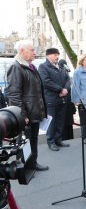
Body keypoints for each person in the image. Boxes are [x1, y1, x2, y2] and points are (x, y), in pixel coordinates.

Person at [6, 40, 48, 171]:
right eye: (31, 50)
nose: (34, 52)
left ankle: (32, 163)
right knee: (27, 141)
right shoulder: (16, 67)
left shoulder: (30, 66)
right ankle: (28, 166)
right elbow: (14, 94)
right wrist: (22, 115)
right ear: (21, 51)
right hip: (27, 113)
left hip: (33, 111)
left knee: (33, 139)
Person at [38, 48, 70, 151]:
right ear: (48, 56)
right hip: (51, 100)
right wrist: (60, 89)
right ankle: (51, 142)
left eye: (58, 54)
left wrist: (65, 89)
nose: (57, 57)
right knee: (51, 122)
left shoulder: (61, 67)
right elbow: (46, 82)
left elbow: (68, 79)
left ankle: (58, 139)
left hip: (62, 99)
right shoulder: (43, 67)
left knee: (60, 121)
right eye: (55, 55)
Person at [58, 59, 76, 140]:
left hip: (68, 101)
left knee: (67, 121)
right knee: (64, 121)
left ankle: (68, 137)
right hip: (64, 100)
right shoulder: (60, 74)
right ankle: (66, 137)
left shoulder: (67, 74)